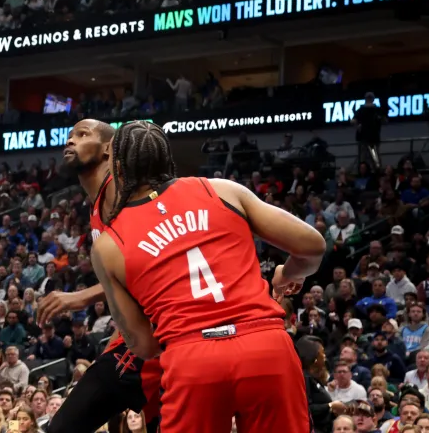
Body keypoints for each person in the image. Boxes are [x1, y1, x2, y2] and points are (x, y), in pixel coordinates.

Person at [90, 121, 326, 433]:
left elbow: (144, 346)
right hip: (265, 346)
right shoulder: (220, 189)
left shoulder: (107, 245)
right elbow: (313, 246)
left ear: (117, 168)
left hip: (192, 358)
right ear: (167, 160)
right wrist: (285, 274)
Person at [34, 119, 163, 433]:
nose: (70, 141)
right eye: (69, 136)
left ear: (108, 148)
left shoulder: (121, 193)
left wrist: (81, 297)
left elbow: (147, 262)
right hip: (140, 335)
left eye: (82, 134)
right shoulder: (98, 204)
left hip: (154, 336)